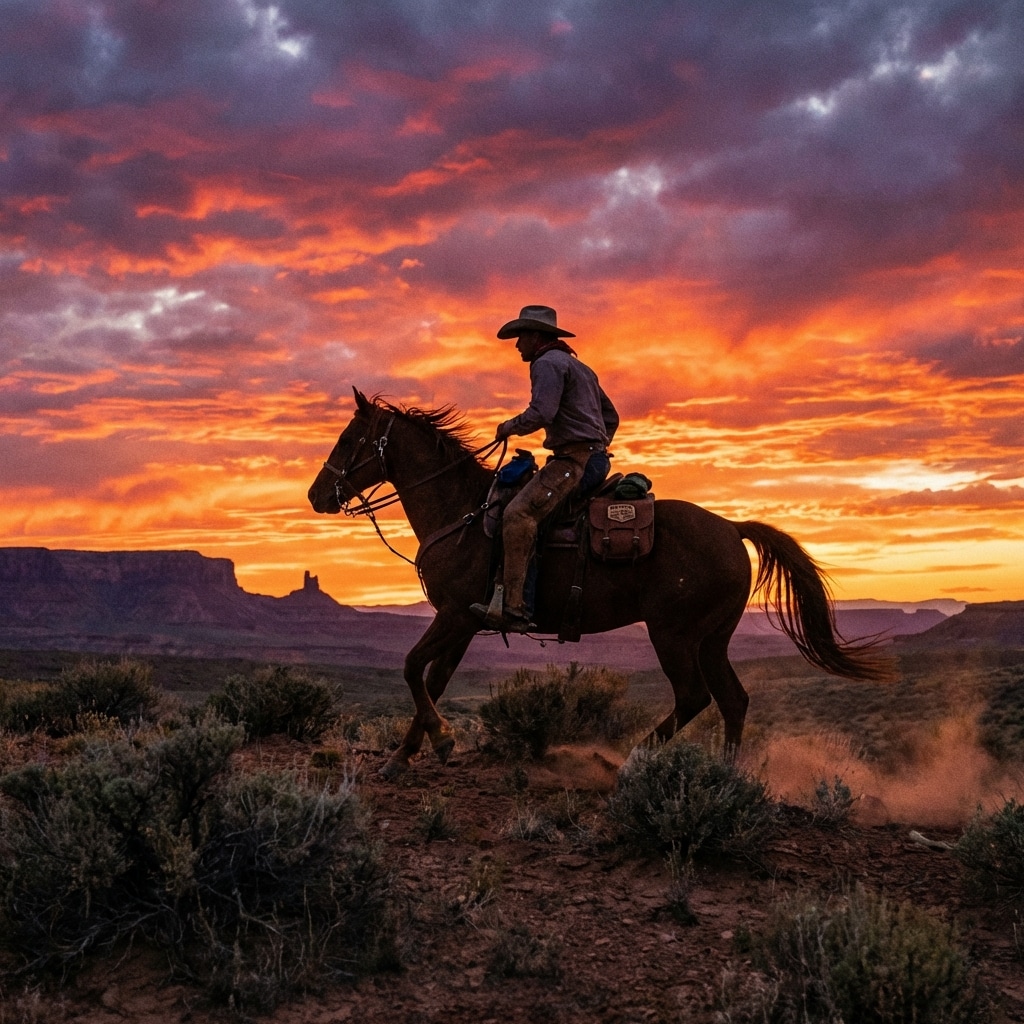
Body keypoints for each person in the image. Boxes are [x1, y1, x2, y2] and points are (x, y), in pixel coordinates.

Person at [471, 305, 619, 633]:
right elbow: (612, 417)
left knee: (517, 515)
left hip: (573, 464)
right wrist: (597, 446)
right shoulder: (581, 367)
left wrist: (509, 426)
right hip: (591, 460)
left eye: (521, 336)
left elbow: (542, 412)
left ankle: (515, 609)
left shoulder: (546, 363)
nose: (516, 344)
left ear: (536, 336)